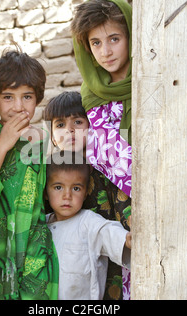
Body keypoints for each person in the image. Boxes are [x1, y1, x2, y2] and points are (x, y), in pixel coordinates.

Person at [0, 49, 58, 300]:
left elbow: (40, 195)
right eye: (8, 97)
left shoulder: (41, 139)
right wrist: (2, 145)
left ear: (37, 99)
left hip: (33, 247)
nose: (18, 107)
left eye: (27, 96)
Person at [71, 0, 133, 298]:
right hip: (106, 210)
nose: (105, 52)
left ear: (131, 36)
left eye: (114, 39)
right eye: (96, 42)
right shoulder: (90, 92)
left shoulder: (154, 80)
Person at [43, 91, 131, 299]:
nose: (70, 131)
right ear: (53, 138)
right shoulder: (45, 172)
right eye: (60, 125)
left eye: (78, 122)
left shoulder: (105, 168)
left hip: (110, 254)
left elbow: (122, 203)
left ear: (91, 127)